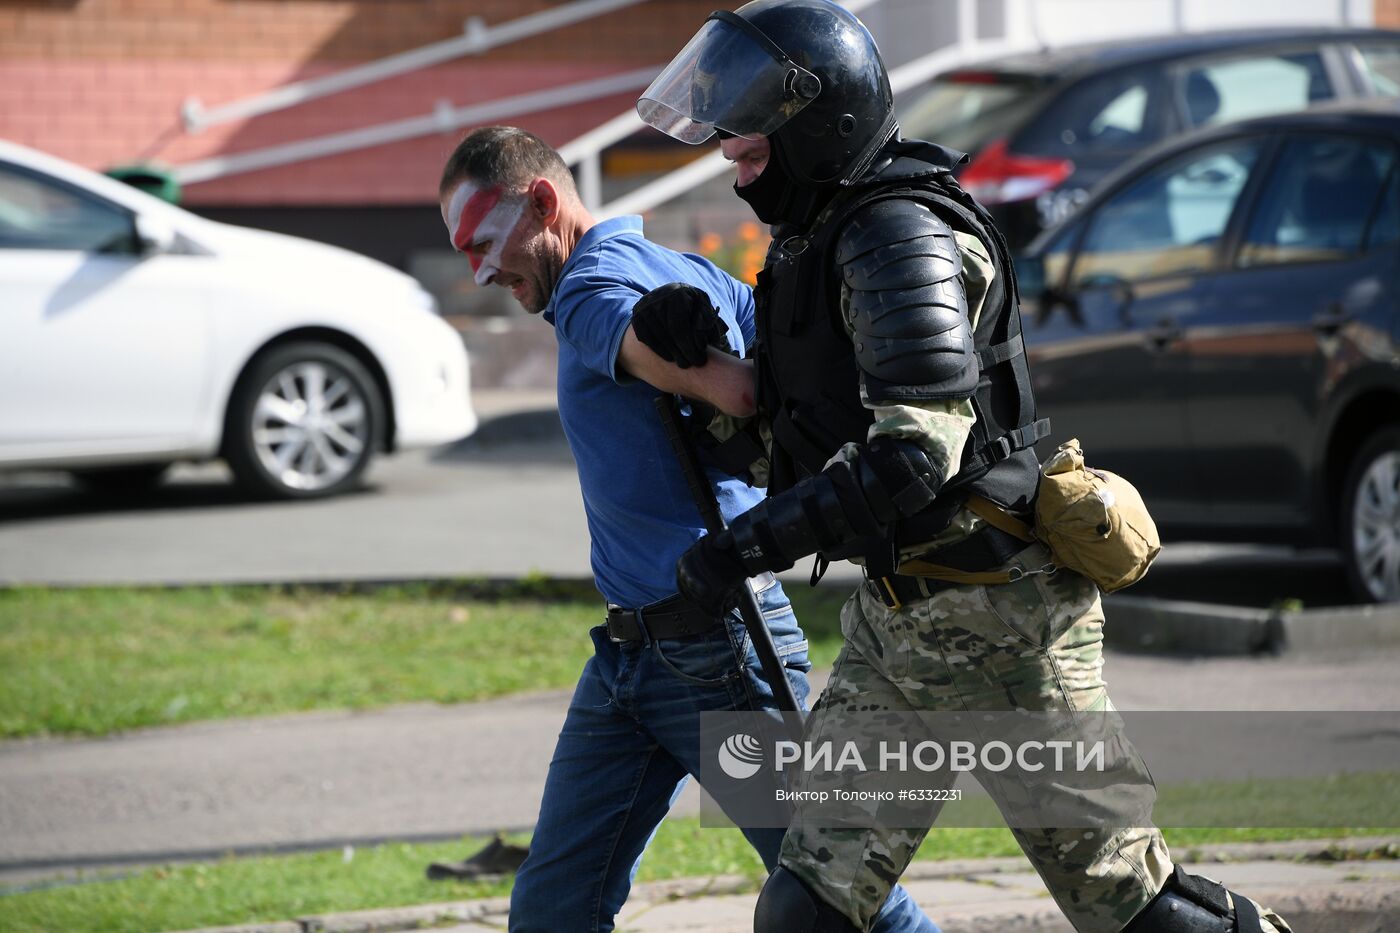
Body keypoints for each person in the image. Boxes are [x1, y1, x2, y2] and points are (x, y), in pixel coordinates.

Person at [633, 3, 1294, 933]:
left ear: (815, 121)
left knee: (1129, 908)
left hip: (1007, 627)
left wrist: (743, 548)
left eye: (750, 128)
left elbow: (912, 458)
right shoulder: (817, 233)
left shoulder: (896, 233)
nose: (733, 147)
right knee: (804, 911)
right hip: (897, 632)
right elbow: (809, 444)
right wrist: (702, 370)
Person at [436, 125, 940, 933]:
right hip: (632, 658)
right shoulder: (671, 264)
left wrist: (682, 355)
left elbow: (740, 392)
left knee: (839, 899)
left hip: (718, 652)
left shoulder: (590, 292)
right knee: (552, 908)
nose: (482, 268)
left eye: (482, 242)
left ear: (540, 201)